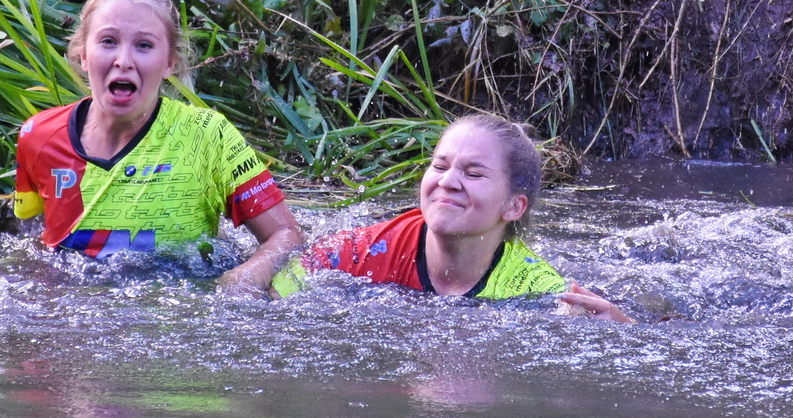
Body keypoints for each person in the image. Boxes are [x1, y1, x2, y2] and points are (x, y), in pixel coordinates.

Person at [13, 0, 303, 277]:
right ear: (83, 54)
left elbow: (287, 236)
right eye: (108, 41)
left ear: (169, 63)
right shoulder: (39, 135)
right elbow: (31, 243)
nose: (123, 60)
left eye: (144, 45)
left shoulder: (207, 136)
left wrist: (245, 277)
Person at [261, 113, 633, 319]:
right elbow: (274, 296)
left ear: (514, 206)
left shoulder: (536, 288)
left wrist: (617, 327)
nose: (448, 182)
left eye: (473, 174)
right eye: (440, 166)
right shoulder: (358, 252)